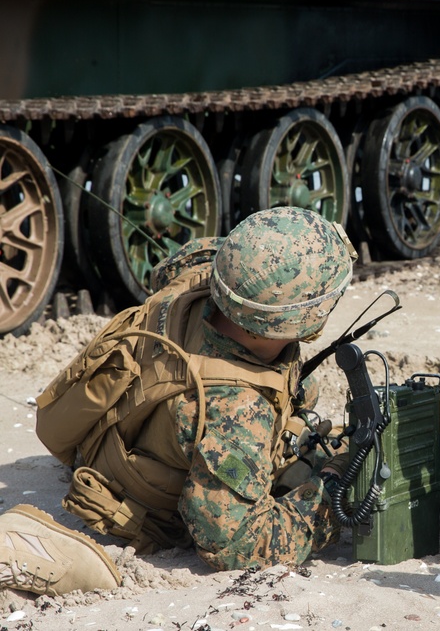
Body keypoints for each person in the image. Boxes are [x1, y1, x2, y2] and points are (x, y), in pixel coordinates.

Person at [34, 207, 358, 572]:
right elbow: (236, 545)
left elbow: (174, 266)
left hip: (125, 420)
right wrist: (336, 485)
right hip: (131, 494)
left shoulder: (199, 275)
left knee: (303, 388)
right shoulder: (237, 411)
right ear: (302, 320)